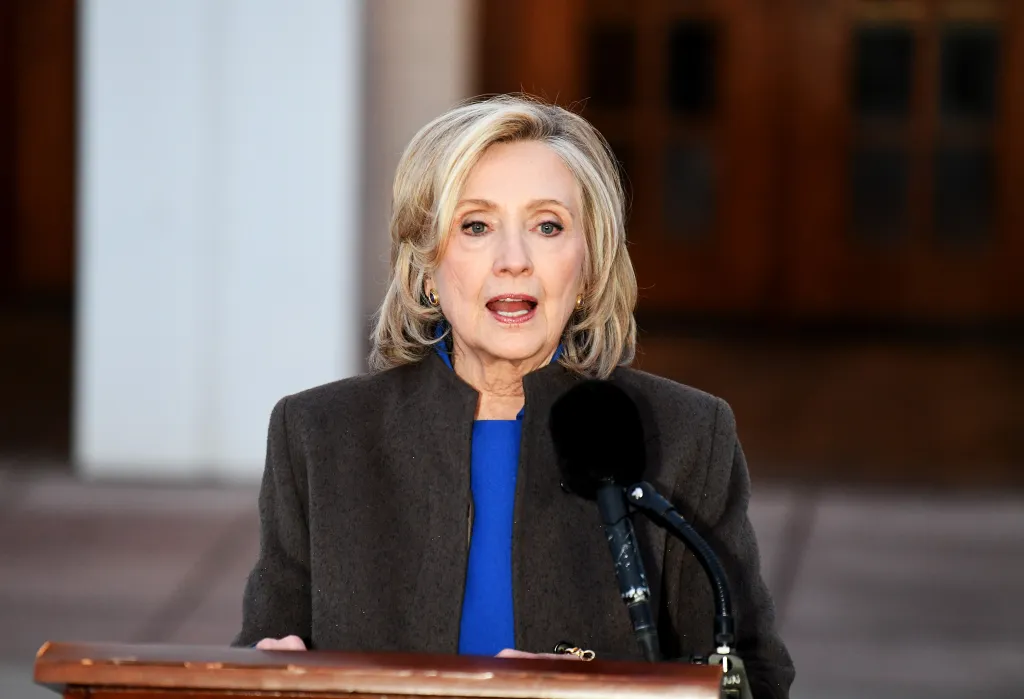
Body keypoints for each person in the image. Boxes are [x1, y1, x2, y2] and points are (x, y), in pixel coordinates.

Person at [233, 94, 794, 697]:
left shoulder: (687, 433)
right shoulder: (318, 434)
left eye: (547, 226)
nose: (514, 261)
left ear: (589, 265)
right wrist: (259, 679)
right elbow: (261, 652)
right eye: (476, 226)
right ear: (425, 266)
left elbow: (754, 678)